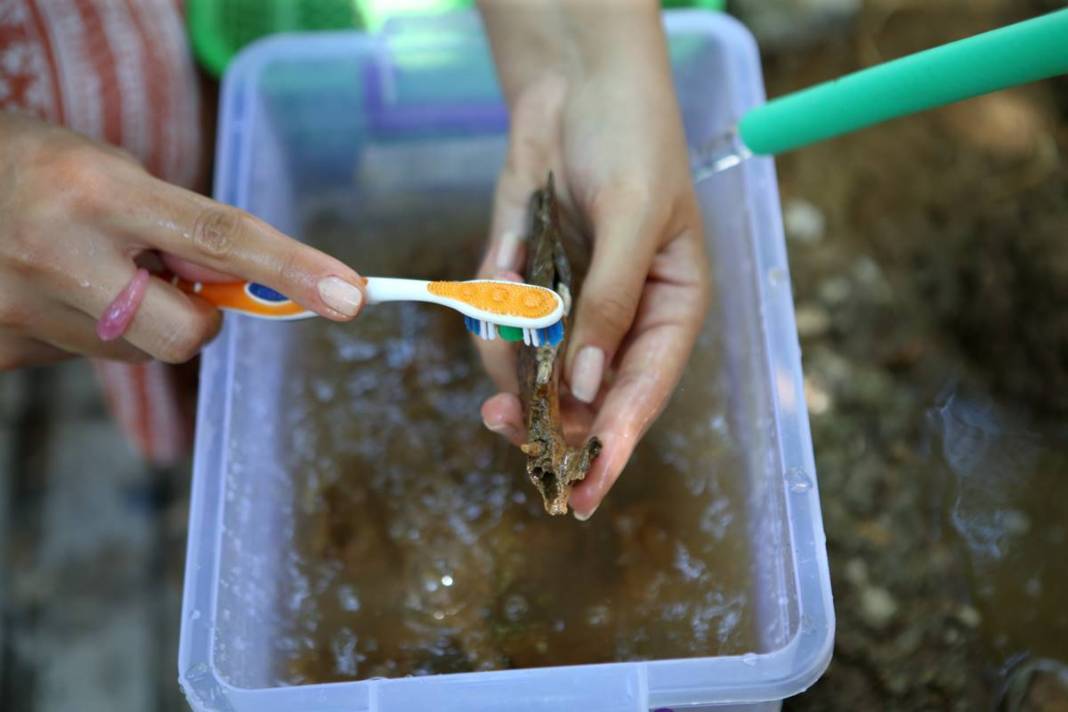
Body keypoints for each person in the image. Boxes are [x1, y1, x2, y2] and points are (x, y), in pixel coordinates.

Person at [0, 0, 708, 520]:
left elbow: (580, 52)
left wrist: (584, 68)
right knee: (169, 349)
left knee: (186, 295)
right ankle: (189, 470)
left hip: (151, 70)